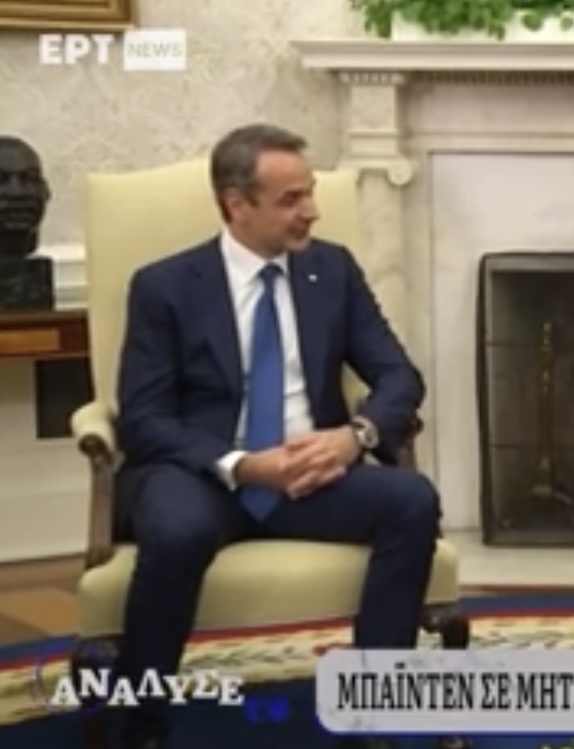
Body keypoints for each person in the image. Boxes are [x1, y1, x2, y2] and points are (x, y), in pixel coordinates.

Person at [112, 123, 440, 749]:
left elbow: (399, 375)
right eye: (292, 199)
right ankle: (140, 723)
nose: (311, 210)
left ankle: (373, 714)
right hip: (204, 475)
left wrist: (355, 436)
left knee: (411, 501)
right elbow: (144, 420)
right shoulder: (164, 287)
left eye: (310, 192)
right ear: (237, 204)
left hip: (311, 473)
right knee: (175, 533)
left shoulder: (331, 270)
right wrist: (241, 464)